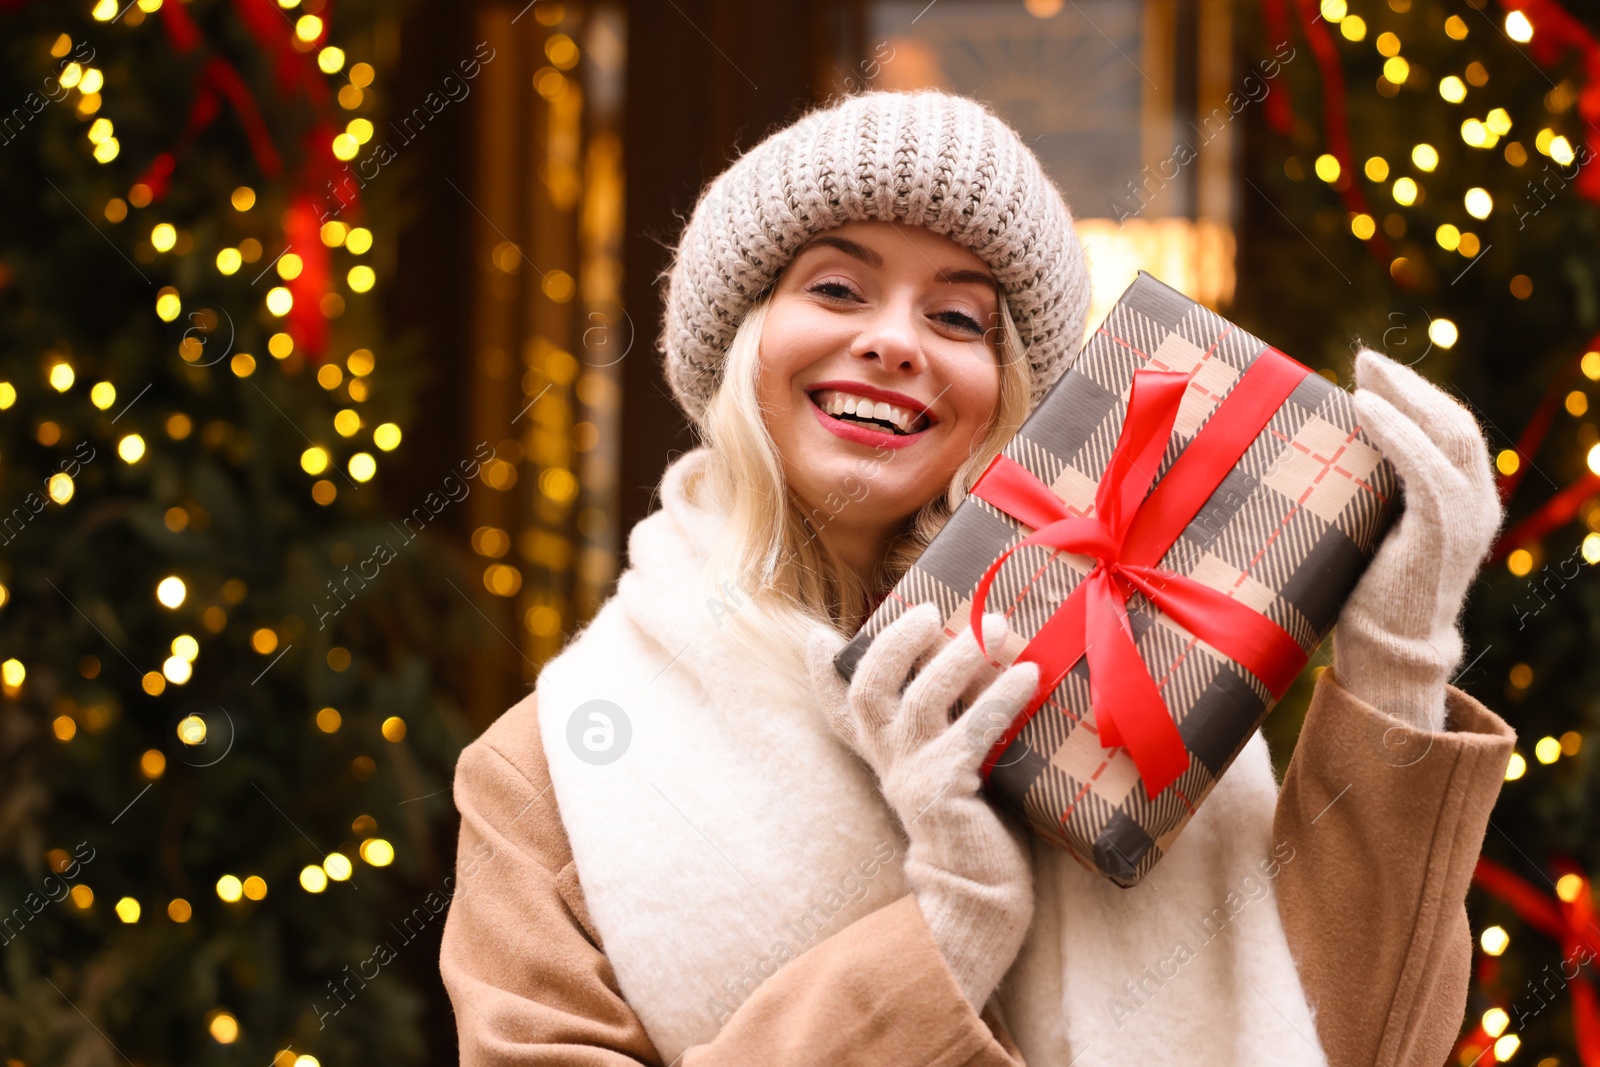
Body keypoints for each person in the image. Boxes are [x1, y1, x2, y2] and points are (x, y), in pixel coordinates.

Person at [439, 88, 1516, 1066]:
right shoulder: (550, 772)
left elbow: (1363, 1043)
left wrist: (1397, 657)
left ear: (1012, 403)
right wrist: (945, 931)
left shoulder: (1134, 696)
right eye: (836, 286)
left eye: (958, 317)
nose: (896, 341)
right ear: (739, 338)